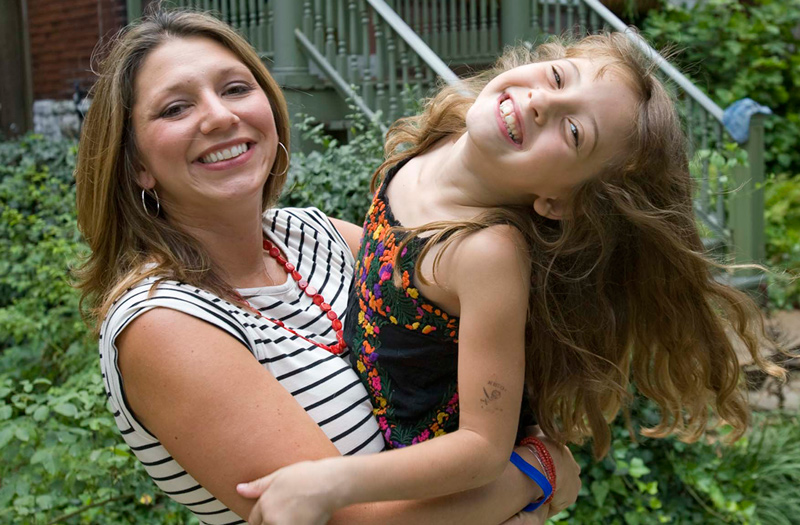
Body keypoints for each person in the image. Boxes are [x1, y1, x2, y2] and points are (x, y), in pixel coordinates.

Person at [236, 32, 785, 525]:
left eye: (573, 131)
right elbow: (389, 263)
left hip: (444, 494)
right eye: (556, 77)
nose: (541, 101)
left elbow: (481, 447)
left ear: (557, 201)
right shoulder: (445, 138)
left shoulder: (485, 252)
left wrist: (329, 482)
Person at [74, 8, 581, 525]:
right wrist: (539, 472)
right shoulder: (163, 325)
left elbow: (481, 337)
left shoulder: (316, 236)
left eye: (234, 89)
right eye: (176, 108)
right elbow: (351, 522)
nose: (220, 116)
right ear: (137, 164)